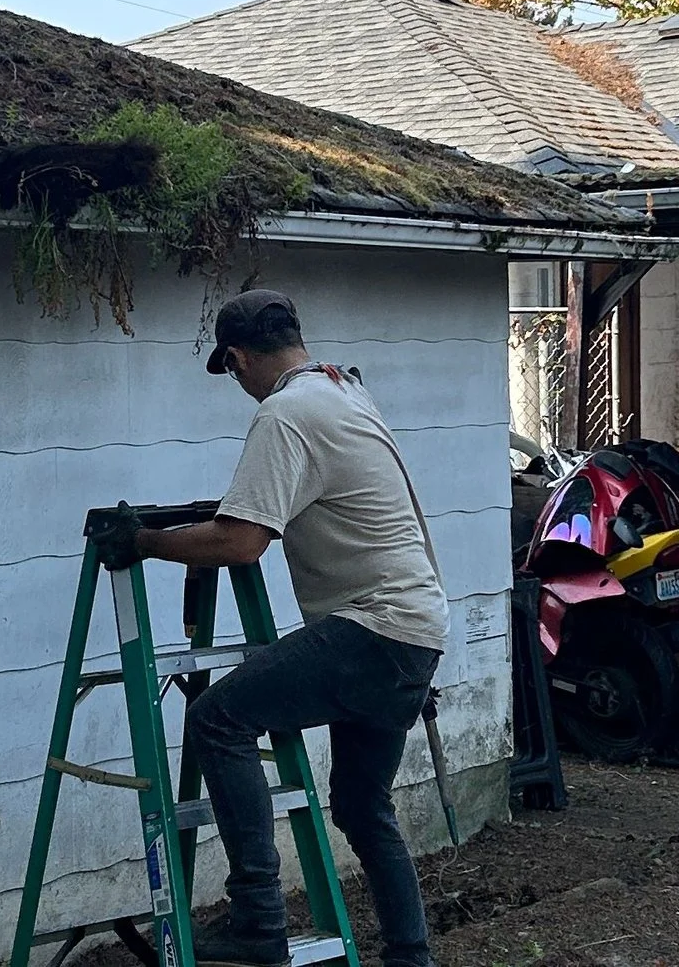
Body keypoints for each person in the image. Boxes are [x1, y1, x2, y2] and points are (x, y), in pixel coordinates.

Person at [86, 290, 445, 967]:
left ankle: (256, 919)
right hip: (415, 627)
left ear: (240, 357)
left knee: (218, 719)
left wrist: (144, 541)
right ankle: (410, 957)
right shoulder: (344, 392)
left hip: (372, 626)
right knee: (363, 810)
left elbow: (243, 541)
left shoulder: (286, 413)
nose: (240, 386)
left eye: (233, 372)